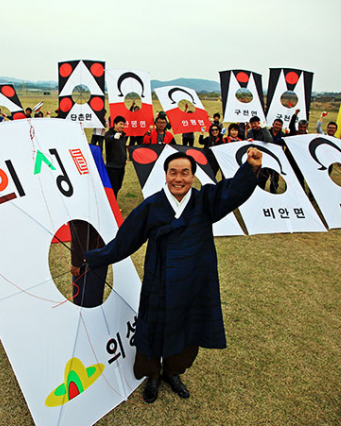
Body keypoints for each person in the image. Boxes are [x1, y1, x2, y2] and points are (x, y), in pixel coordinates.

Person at [84, 149, 263, 403]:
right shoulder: (152, 206)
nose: (179, 179)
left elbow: (231, 192)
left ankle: (173, 372)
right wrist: (96, 257)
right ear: (165, 175)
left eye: (185, 173)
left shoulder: (205, 201)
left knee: (187, 328)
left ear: (193, 176)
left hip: (193, 279)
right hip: (160, 280)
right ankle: (153, 374)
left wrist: (251, 168)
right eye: (173, 173)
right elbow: (125, 240)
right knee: (154, 326)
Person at [104, 116, 128, 199]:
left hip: (121, 166)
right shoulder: (109, 133)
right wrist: (113, 137)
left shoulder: (123, 135)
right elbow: (107, 139)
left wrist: (125, 158)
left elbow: (123, 148)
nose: (122, 126)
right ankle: (113, 206)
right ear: (115, 124)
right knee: (113, 187)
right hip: (112, 166)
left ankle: (113, 203)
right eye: (120, 124)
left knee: (118, 186)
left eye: (123, 124)